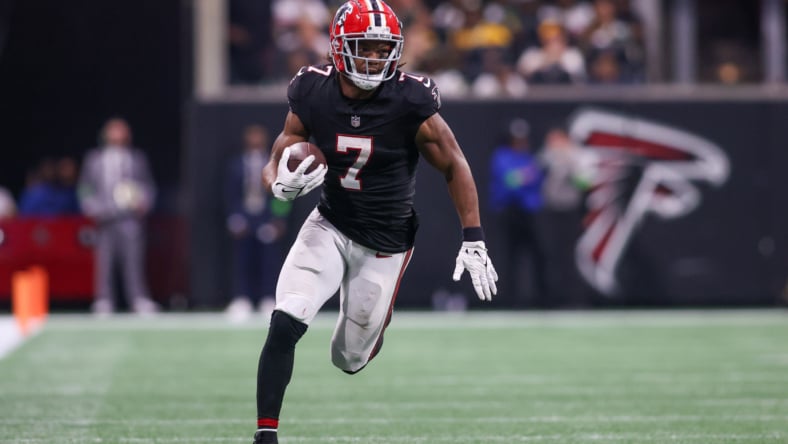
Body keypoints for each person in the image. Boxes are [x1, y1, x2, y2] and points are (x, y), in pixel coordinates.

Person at [251, 1, 498, 443]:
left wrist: (473, 237)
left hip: (385, 244)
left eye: (383, 49)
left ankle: (372, 329)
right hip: (330, 224)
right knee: (287, 317)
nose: (374, 58)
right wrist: (277, 185)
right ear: (338, 47)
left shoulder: (409, 99)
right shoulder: (312, 89)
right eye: (364, 47)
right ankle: (266, 434)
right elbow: (281, 149)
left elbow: (454, 163)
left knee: (348, 359)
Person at [77, 117, 159, 315]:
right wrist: (91, 207)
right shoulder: (94, 159)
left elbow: (148, 186)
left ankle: (138, 298)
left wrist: (144, 202)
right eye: (114, 131)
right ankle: (104, 299)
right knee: (104, 262)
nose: (118, 135)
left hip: (130, 218)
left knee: (134, 261)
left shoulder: (137, 158)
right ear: (106, 134)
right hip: (105, 218)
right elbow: (85, 188)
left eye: (122, 131)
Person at [224, 124, 292, 322]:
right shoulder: (236, 164)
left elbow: (282, 194)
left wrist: (278, 220)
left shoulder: (275, 165)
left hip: (266, 217)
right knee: (242, 259)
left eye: (258, 136)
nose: (255, 140)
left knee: (269, 260)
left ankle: (268, 297)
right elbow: (229, 194)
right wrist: (234, 218)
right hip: (244, 217)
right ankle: (242, 297)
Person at [489, 118, 548, 307]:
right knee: (510, 256)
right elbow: (511, 181)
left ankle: (542, 299)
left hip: (529, 213)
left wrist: (528, 175)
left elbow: (536, 182)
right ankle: (509, 300)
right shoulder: (502, 156)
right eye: (516, 139)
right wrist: (530, 173)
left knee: (538, 255)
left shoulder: (527, 157)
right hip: (509, 211)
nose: (520, 142)